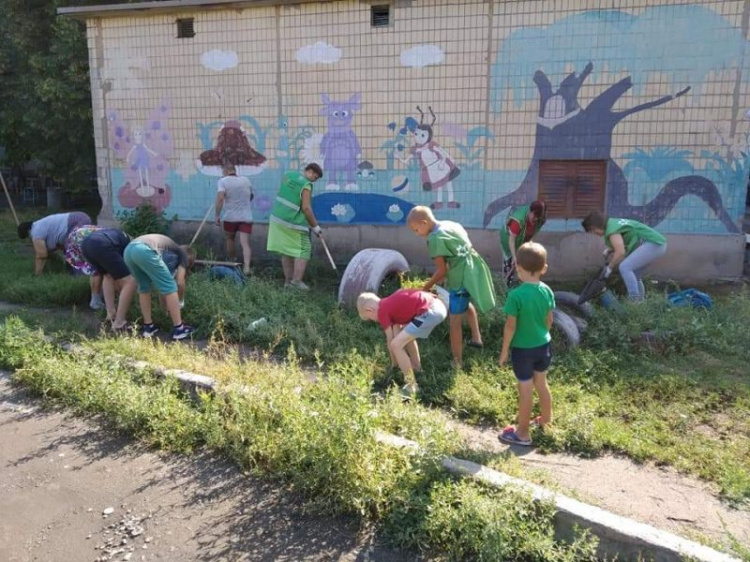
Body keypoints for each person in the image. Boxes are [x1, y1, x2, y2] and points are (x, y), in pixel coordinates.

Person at [407, 206, 496, 367]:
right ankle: (476, 337)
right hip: (474, 267)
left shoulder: (434, 239)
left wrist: (425, 287)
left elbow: (441, 270)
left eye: (416, 229)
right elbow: (460, 249)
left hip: (461, 276)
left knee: (454, 320)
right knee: (465, 302)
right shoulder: (449, 224)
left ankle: (457, 362)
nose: (417, 234)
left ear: (424, 223)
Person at [498, 242, 555, 447]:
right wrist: (543, 335)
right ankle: (546, 422)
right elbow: (549, 320)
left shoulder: (516, 296)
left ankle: (522, 433)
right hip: (544, 345)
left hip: (523, 351)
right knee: (542, 384)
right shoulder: (547, 291)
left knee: (525, 389)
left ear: (518, 268)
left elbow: (510, 327)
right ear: (544, 269)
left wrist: (504, 351)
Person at [357, 289, 447, 398]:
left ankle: (412, 386)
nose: (373, 320)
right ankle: (417, 369)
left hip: (430, 311)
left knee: (396, 345)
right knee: (404, 336)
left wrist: (394, 365)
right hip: (438, 306)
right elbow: (397, 333)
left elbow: (391, 342)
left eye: (369, 318)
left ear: (369, 310)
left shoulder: (382, 311)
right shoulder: (390, 304)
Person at [581, 211, 667, 301]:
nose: (594, 234)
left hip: (653, 244)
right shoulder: (612, 224)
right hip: (657, 244)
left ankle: (634, 301)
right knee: (635, 274)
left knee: (625, 267)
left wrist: (610, 267)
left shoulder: (612, 230)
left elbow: (621, 252)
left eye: (593, 231)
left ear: (596, 226)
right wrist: (610, 250)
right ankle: (640, 303)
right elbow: (625, 240)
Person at [123, 234, 195, 340]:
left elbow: (162, 289)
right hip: (144, 249)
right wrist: (180, 302)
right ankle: (179, 330)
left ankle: (148, 327)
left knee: (144, 287)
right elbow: (179, 282)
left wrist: (165, 308)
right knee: (171, 286)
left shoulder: (168, 254)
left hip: (129, 249)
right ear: (189, 262)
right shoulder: (182, 256)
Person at [267, 163, 324, 290]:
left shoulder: (288, 176)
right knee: (304, 249)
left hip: (277, 218)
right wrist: (315, 227)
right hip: (292, 221)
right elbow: (306, 208)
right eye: (316, 176)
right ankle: (296, 282)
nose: (315, 179)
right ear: (310, 171)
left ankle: (288, 282)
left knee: (286, 250)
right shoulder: (306, 185)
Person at [81, 228, 135, 331]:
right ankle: (120, 322)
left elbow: (115, 276)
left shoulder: (121, 236)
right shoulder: (132, 246)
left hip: (86, 244)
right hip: (102, 244)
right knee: (130, 282)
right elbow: (123, 280)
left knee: (108, 276)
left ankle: (111, 314)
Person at [17, 211, 92, 274]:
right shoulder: (42, 227)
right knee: (69, 249)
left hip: (77, 220)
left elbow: (41, 255)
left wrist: (37, 274)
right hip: (81, 218)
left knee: (71, 249)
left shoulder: (35, 231)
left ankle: (79, 276)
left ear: (27, 233)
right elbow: (57, 247)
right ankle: (73, 274)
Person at [214, 164, 254, 275]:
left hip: (230, 217)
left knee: (230, 239)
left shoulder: (222, 181)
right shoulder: (246, 180)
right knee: (245, 243)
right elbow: (251, 196)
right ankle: (247, 268)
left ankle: (233, 263)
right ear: (234, 171)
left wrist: (217, 215)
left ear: (225, 171)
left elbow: (220, 198)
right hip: (246, 217)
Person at [499, 200, 547, 286]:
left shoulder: (540, 219)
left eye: (538, 217)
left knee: (524, 262)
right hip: (509, 240)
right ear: (530, 211)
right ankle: (506, 288)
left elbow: (532, 232)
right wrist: (514, 257)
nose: (535, 219)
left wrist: (527, 245)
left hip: (522, 240)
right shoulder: (518, 220)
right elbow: (511, 240)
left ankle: (522, 285)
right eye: (534, 216)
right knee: (510, 264)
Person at [63, 224, 105, 310]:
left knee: (96, 269)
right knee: (98, 269)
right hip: (84, 236)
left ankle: (96, 299)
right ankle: (96, 301)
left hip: (79, 232)